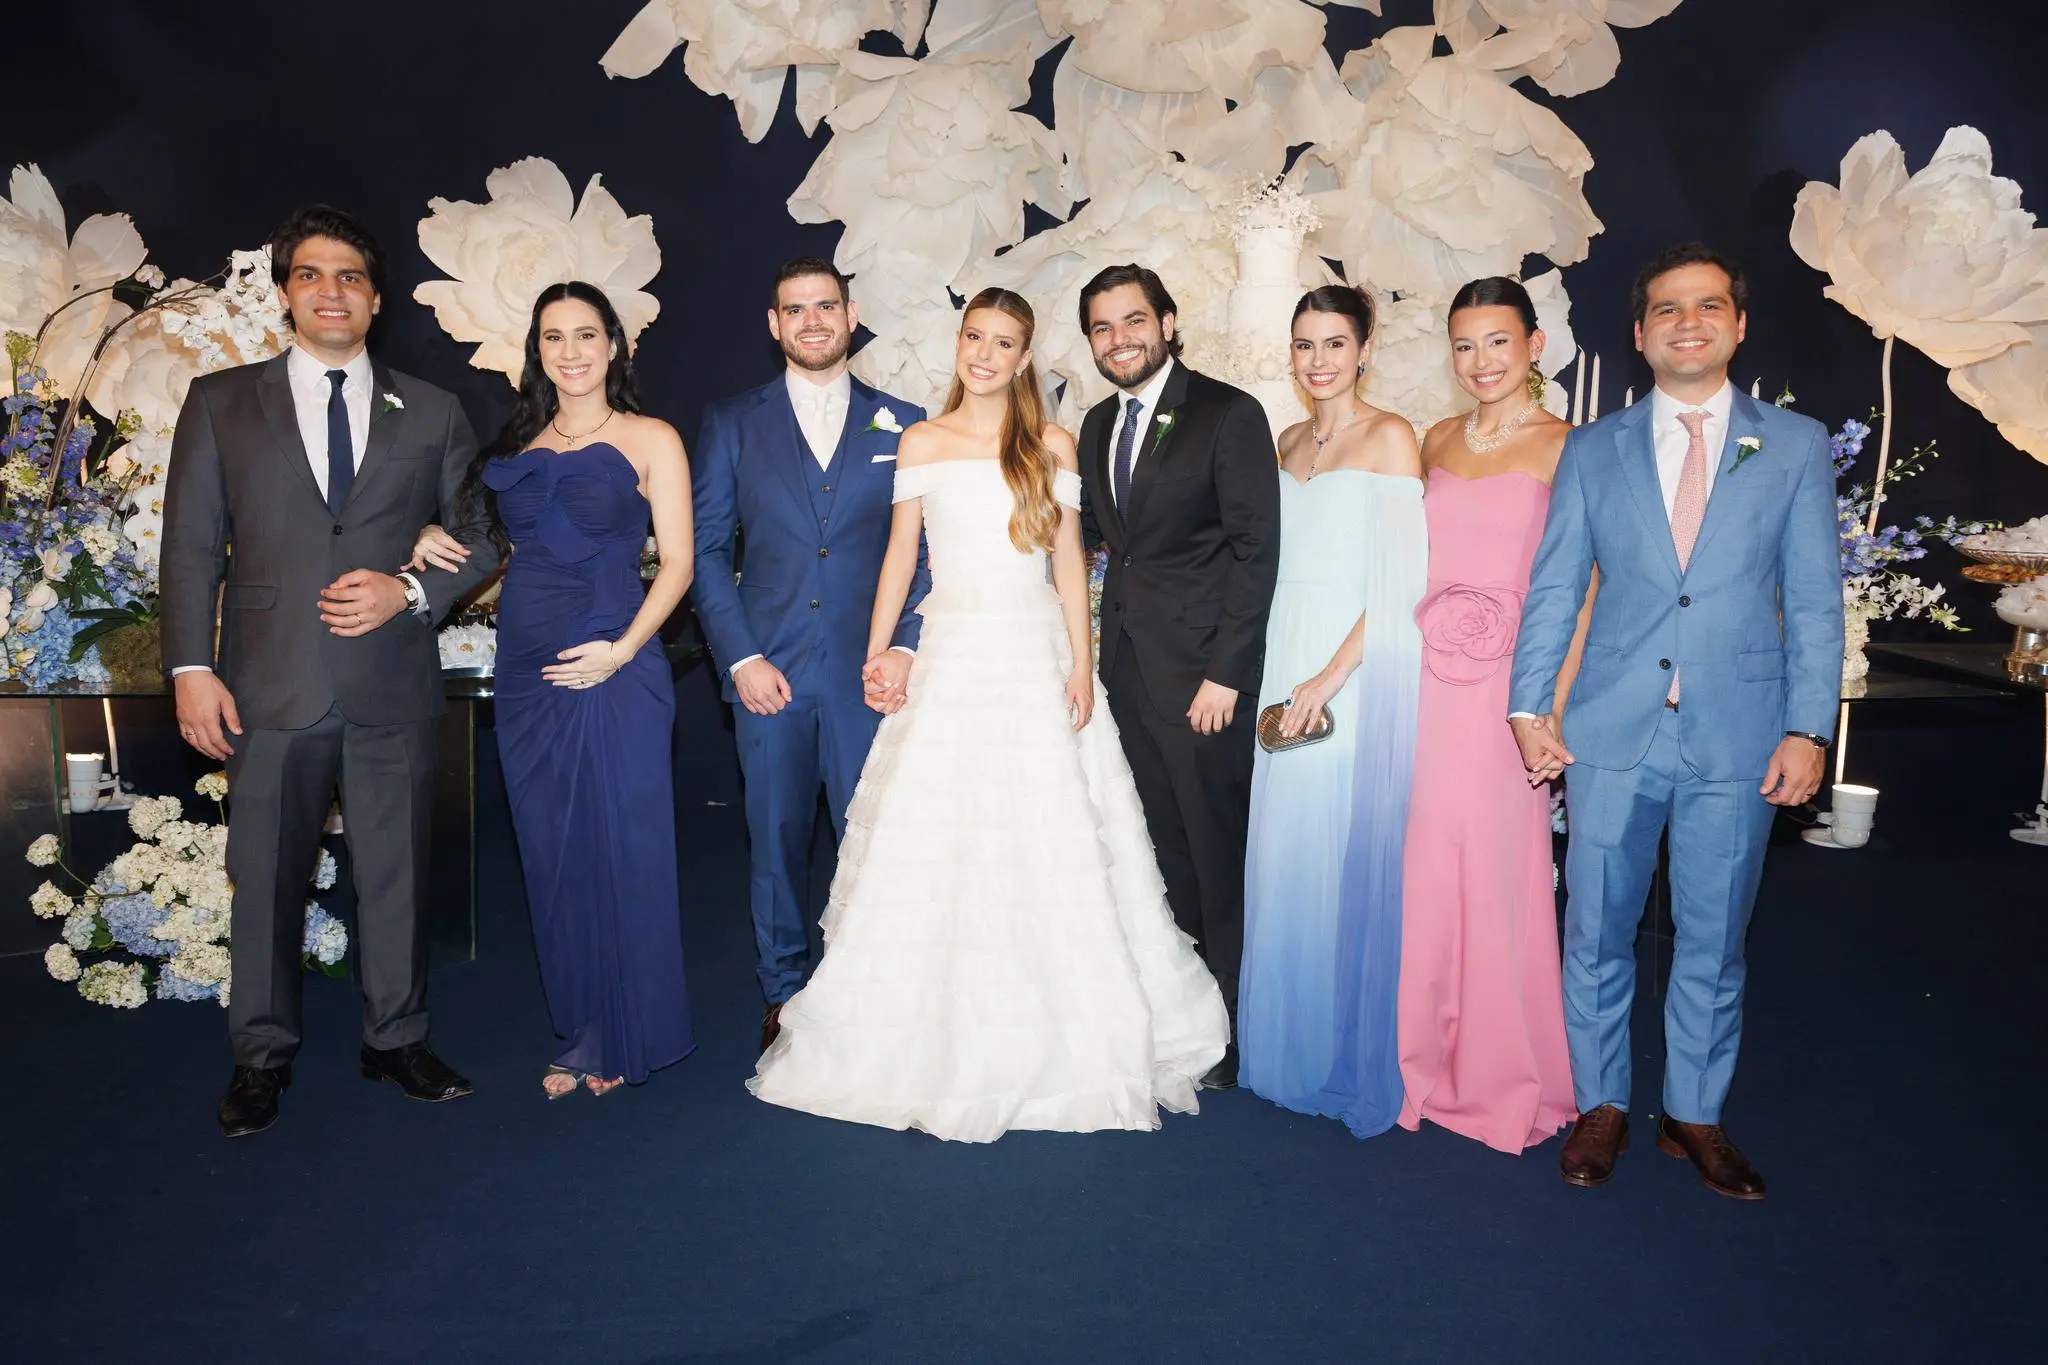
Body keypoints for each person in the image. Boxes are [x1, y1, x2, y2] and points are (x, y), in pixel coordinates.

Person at [749, 289, 1228, 1141]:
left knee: (1050, 833)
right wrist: (877, 649)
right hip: (950, 654)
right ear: (959, 342)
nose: (984, 354)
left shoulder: (1050, 443)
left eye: (1004, 343)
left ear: (1023, 357)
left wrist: (1080, 664)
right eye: (974, 336)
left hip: (1032, 654)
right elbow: (902, 554)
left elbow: (1069, 560)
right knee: (943, 833)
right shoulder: (922, 440)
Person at [1508, 244, 1842, 1200]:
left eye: (1707, 306)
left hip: (1741, 735)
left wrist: (1809, 728)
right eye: (1667, 309)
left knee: (1714, 937)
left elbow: (1815, 599)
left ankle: (1694, 1113)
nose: (1687, 322)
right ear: (1640, 332)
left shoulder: (1794, 443)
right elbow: (1555, 586)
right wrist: (1529, 703)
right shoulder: (1593, 448)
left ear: (1738, 325)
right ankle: (1601, 1103)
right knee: (1596, 931)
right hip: (1612, 730)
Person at [160, 205, 500, 1138]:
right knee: (265, 878)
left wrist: (409, 591)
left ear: (376, 298)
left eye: (350, 275)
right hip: (268, 687)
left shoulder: (431, 409)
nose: (332, 291)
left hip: (392, 682)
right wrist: (190, 666)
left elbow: (479, 537)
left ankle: (397, 1039)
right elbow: (190, 549)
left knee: (396, 875)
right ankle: (260, 1057)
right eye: (311, 274)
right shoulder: (222, 401)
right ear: (286, 293)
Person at [410, 282, 695, 1097]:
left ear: (614, 345)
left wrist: (622, 650)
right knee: (553, 852)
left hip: (616, 661)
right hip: (528, 672)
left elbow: (679, 563)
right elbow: (479, 541)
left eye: (586, 334)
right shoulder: (517, 442)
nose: (571, 352)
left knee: (623, 847)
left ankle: (629, 1032)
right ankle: (582, 1029)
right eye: (553, 337)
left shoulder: (652, 437)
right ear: (537, 351)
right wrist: (431, 532)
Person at [689, 258, 930, 1054]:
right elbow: (707, 550)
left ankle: (872, 990)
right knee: (776, 841)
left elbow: (929, 554)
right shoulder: (731, 422)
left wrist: (904, 645)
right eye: (796, 309)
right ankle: (784, 993)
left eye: (826, 305)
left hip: (872, 678)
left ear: (851, 315)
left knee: (878, 842)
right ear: (774, 324)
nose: (813, 320)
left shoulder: (907, 422)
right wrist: (740, 659)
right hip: (771, 675)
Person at [1074, 264, 1281, 1091]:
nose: (1119, 339)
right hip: (1127, 676)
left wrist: (1227, 675)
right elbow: (1097, 541)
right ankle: (1186, 1010)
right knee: (1162, 849)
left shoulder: (1228, 413)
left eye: (1133, 320)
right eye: (1102, 327)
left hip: (1203, 682)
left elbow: (1257, 553)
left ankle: (1234, 1022)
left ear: (1166, 321)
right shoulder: (1096, 424)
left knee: (1216, 849)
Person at [1398, 277, 1581, 1154]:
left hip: (1511, 690)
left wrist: (1548, 705)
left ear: (1535, 345)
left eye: (1499, 342)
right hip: (1422, 681)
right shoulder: (1433, 438)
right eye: (1465, 345)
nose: (1481, 361)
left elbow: (1582, 587)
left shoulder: (1567, 446)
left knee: (1499, 870)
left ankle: (1505, 1069)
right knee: (1427, 867)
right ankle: (1422, 1057)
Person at [1239, 286, 1426, 1137]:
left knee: (1333, 851)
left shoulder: (1391, 436)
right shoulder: (1284, 441)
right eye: (1305, 344)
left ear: (1365, 348)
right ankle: (1282, 1045)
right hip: (1282, 653)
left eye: (1335, 343)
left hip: (1349, 665)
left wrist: (1329, 675)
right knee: (1282, 850)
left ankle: (1337, 1050)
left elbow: (1402, 582)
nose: (1318, 361)